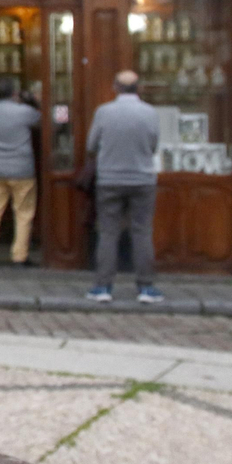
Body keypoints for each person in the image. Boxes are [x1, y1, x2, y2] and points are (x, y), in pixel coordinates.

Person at [85, 71, 163, 304]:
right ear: (139, 88)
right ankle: (146, 288)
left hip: (109, 179)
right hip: (142, 179)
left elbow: (91, 144)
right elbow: (154, 144)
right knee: (142, 232)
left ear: (115, 87)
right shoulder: (150, 113)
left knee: (108, 232)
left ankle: (103, 287)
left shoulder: (103, 112)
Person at [0, 77, 41, 267]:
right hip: (22, 169)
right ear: (14, 93)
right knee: (23, 213)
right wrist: (31, 100)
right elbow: (41, 119)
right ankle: (19, 256)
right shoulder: (24, 112)